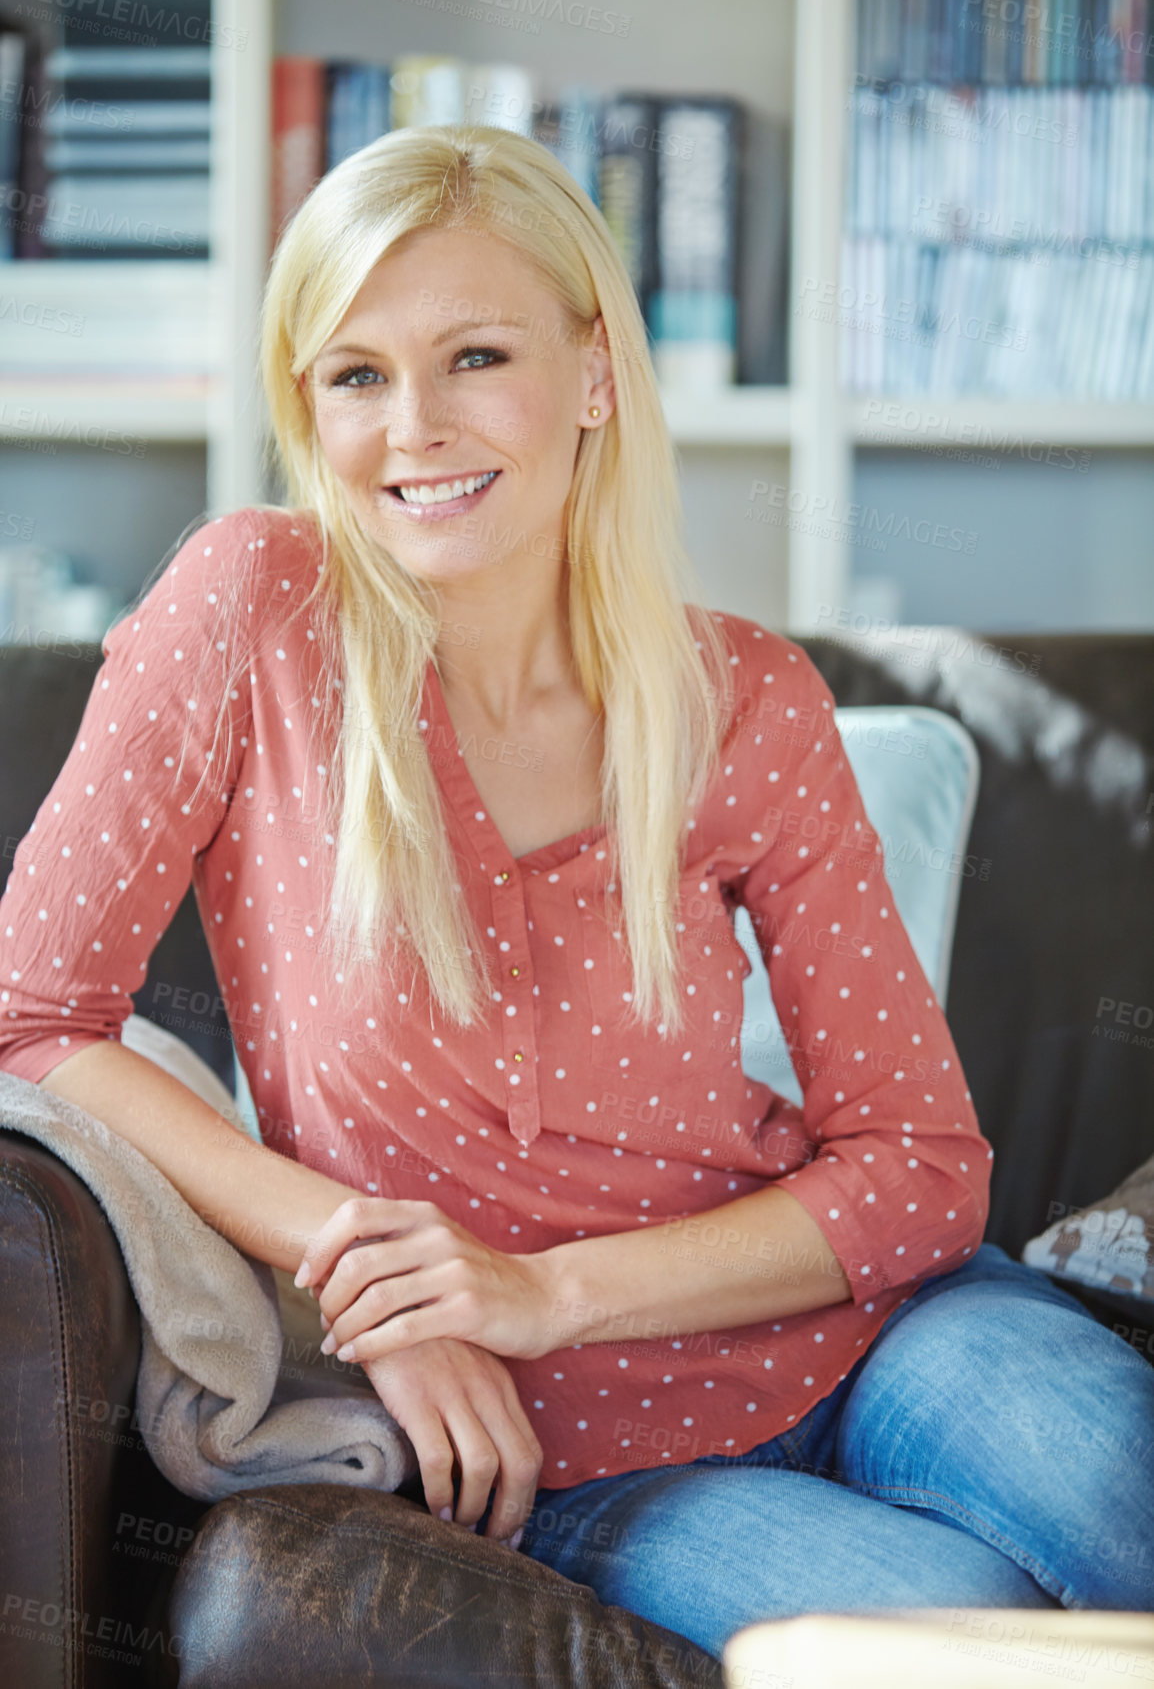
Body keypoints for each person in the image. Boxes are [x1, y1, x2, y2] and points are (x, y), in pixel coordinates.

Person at [0, 124, 1150, 1663]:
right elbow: (33, 1014)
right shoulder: (247, 615)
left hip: (880, 1332)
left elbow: (919, 1166)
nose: (413, 426)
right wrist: (374, 1279)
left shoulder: (745, 697)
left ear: (595, 374)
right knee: (971, 1634)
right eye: (354, 374)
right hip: (592, 1458)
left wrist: (538, 1291)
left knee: (1108, 1488)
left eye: (475, 354)